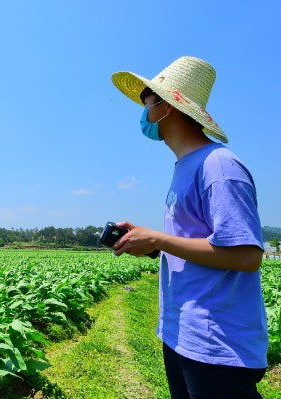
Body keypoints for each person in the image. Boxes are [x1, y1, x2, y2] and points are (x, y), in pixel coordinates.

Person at [110, 56, 268, 398]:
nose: (143, 109)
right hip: (183, 334)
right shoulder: (186, 166)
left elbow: (246, 255)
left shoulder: (219, 166)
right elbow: (194, 241)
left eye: (147, 99)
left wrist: (159, 238)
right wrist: (152, 244)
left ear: (169, 106)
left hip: (217, 344)